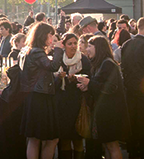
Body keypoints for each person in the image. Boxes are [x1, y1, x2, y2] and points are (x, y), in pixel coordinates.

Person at [76, 36, 130, 159]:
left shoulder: (107, 64)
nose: (87, 49)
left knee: (112, 145)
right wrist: (87, 87)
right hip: (106, 112)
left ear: (99, 48)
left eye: (90, 46)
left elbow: (110, 88)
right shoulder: (101, 63)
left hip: (111, 113)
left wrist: (89, 83)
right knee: (107, 145)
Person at [19, 21, 64, 159]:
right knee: (49, 138)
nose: (51, 38)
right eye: (50, 35)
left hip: (34, 96)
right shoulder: (37, 52)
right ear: (42, 35)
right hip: (41, 97)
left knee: (34, 138)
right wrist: (58, 50)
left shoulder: (28, 50)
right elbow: (53, 66)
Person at [120, 17, 144, 159]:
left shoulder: (126, 44)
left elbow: (123, 67)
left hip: (130, 89)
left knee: (132, 121)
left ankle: (132, 150)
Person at [56, 33, 91, 159]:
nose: (73, 46)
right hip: (62, 103)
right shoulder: (59, 59)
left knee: (78, 138)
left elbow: (89, 78)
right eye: (69, 43)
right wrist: (59, 78)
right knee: (64, 138)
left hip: (78, 102)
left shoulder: (83, 60)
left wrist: (76, 79)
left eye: (75, 43)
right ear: (64, 45)